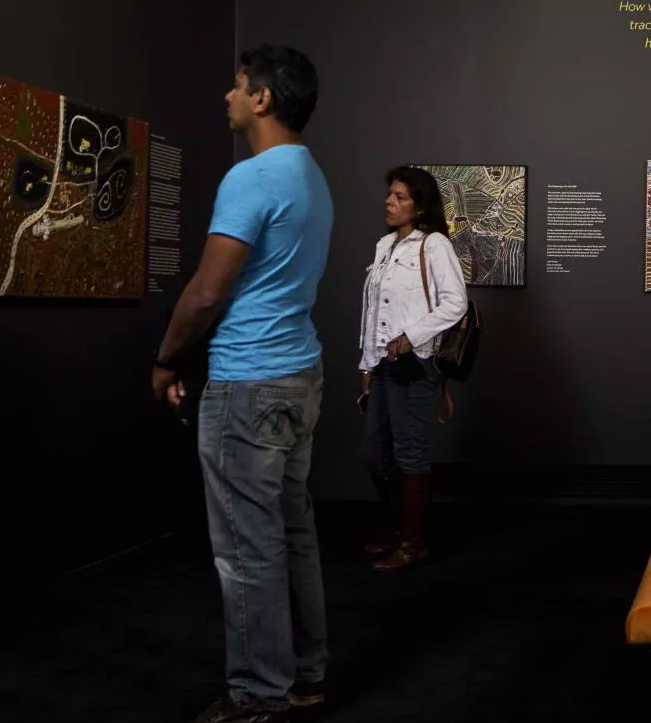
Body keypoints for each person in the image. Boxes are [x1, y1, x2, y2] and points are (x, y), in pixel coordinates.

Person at [151, 45, 334, 723]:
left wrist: (166, 358)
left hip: (249, 384)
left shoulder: (252, 177)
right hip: (299, 375)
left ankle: (259, 695)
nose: (227, 97)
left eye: (236, 86)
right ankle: (307, 675)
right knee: (292, 532)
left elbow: (207, 292)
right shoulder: (312, 177)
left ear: (262, 98)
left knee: (247, 549)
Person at [357, 166, 467, 572]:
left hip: (416, 364)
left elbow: (455, 302)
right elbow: (372, 310)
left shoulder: (434, 244)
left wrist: (411, 336)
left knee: (409, 453)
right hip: (383, 366)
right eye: (390, 194)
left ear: (419, 207)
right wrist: (366, 363)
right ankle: (396, 529)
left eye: (400, 196)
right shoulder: (385, 245)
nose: (390, 202)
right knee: (374, 455)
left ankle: (412, 542)